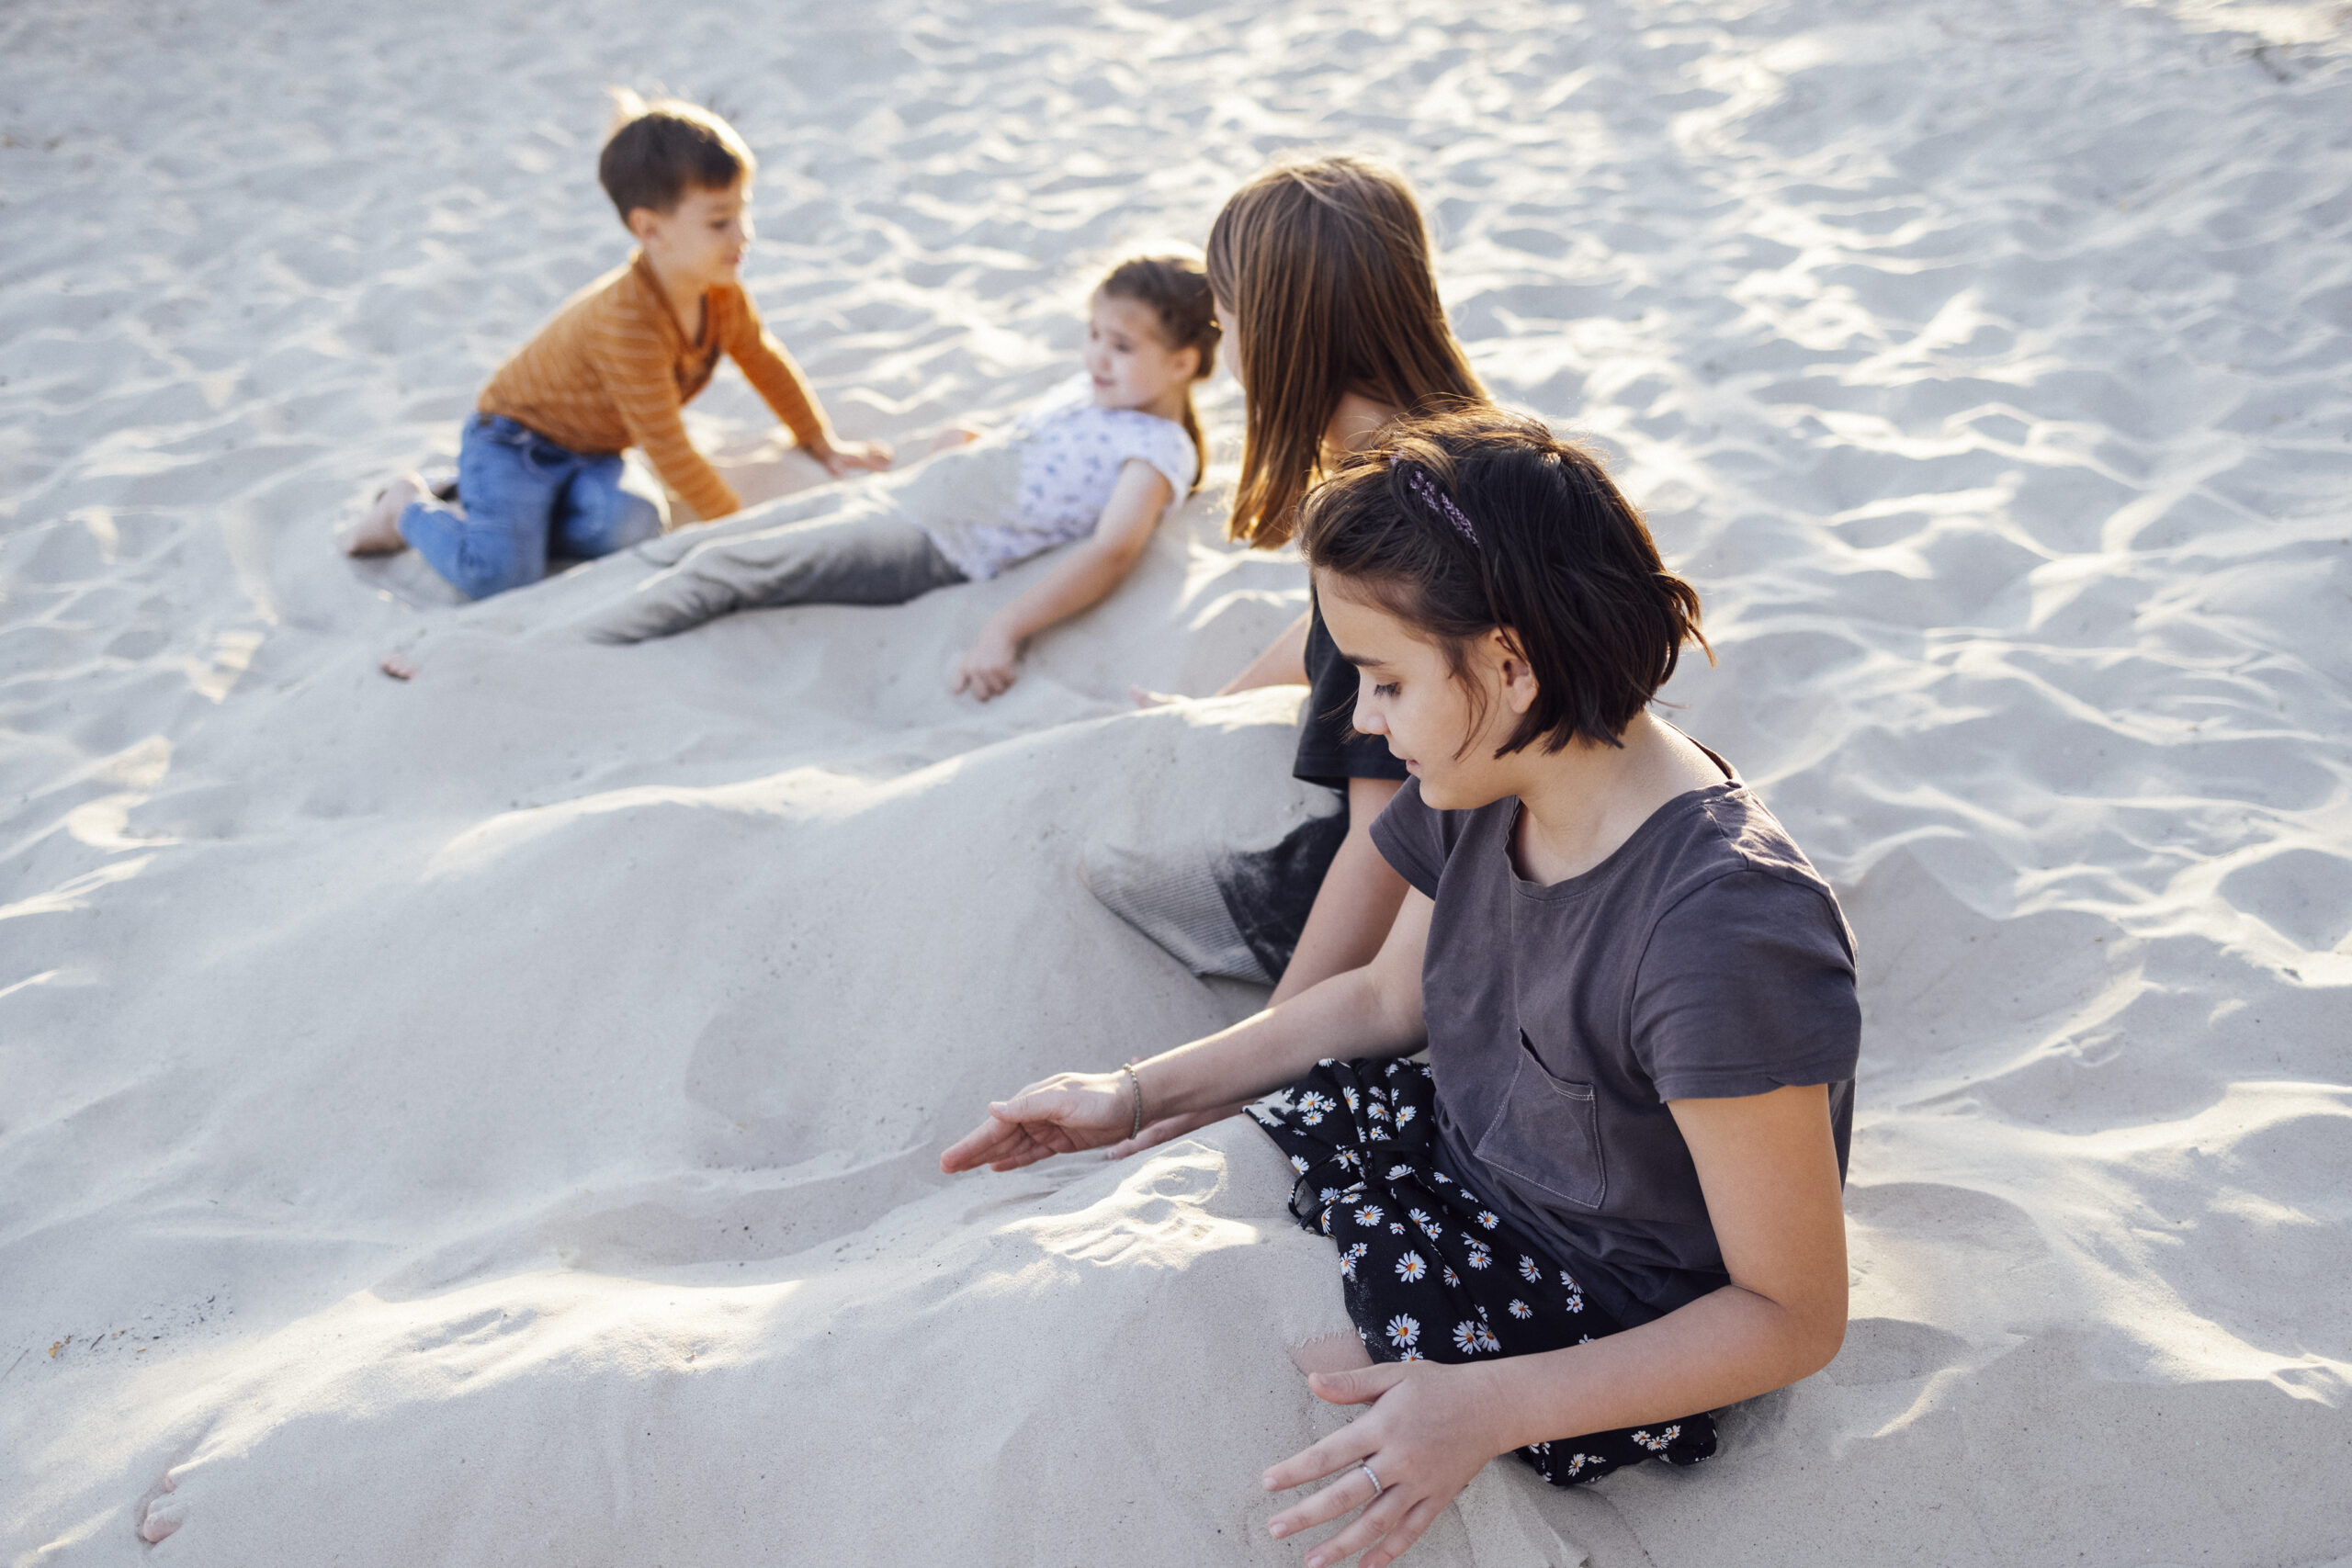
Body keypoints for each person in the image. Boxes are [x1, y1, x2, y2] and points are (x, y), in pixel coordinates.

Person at [944, 410, 1860, 1568]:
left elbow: (1791, 1314)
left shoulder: (1724, 933)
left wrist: (1491, 1408)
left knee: (1267, 1391)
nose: (1361, 721)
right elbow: (1385, 1001)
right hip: (1454, 1153)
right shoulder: (1489, 775)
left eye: (1382, 681)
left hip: (1607, 1313)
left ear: (1511, 661)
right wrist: (1128, 1094)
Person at [1087, 154, 1485, 1035]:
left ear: (1267, 332)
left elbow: (1388, 837)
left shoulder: (1376, 520)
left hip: (1424, 898)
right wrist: (1214, 710)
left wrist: (1268, 1039)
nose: (1222, 343)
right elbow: (1336, 635)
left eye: (1224, 319)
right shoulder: (1471, 448)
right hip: (1484, 838)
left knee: (1097, 864)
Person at [499, 255, 1217, 701]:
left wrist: (1005, 628)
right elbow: (1030, 450)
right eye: (1093, 335)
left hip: (929, 541)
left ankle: (550, 652)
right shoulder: (1100, 391)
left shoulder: (1156, 448)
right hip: (906, 494)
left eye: (1120, 346)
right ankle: (521, 621)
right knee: (700, 542)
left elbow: (1114, 549)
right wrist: (960, 445)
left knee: (727, 563)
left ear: (1183, 363)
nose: (1096, 356)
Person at [341, 92, 890, 598]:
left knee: (635, 526)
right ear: (650, 229)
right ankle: (407, 508)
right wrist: (738, 530)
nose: (742, 235)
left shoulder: (721, 295)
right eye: (720, 222)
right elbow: (668, 447)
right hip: (512, 440)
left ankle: (507, 512)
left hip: (594, 449)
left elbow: (764, 362)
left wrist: (821, 442)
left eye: (743, 212)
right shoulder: (629, 322)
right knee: (501, 576)